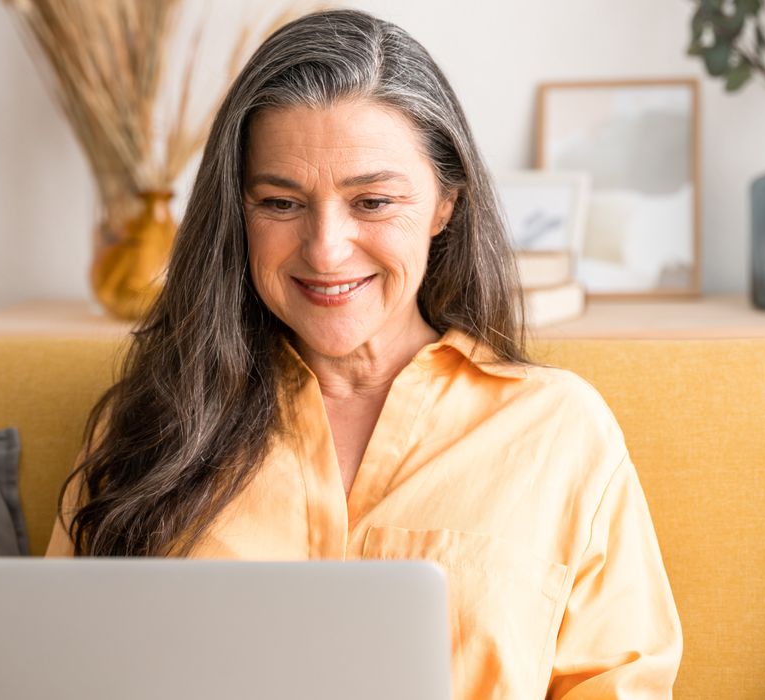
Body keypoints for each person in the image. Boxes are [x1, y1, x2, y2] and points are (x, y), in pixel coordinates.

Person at [46, 8, 682, 698]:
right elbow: (57, 668)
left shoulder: (556, 430)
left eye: (372, 202)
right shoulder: (153, 423)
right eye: (280, 203)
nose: (324, 249)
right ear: (238, 211)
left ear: (445, 204)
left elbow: (617, 683)